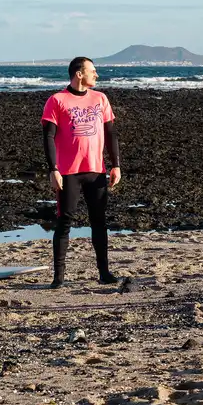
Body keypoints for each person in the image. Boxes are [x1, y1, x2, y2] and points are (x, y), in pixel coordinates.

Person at [41, 57, 122, 288]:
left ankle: (104, 272)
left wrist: (116, 165)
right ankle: (58, 277)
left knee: (99, 221)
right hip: (68, 172)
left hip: (96, 170)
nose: (96, 75)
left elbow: (111, 133)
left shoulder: (100, 98)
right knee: (64, 221)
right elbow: (48, 137)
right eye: (92, 71)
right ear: (79, 73)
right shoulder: (57, 100)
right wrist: (53, 169)